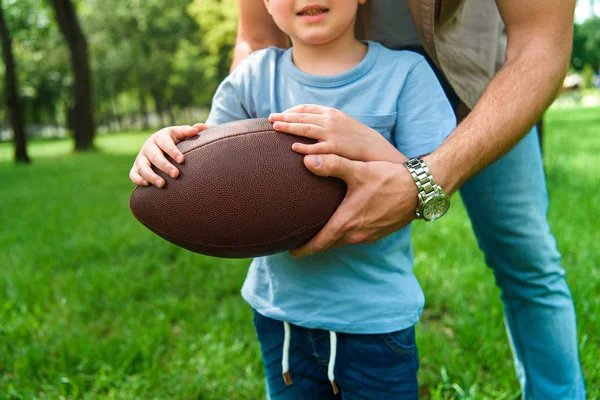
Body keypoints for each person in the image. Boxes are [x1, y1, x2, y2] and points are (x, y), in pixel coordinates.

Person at [130, 1, 586, 399]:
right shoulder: (255, 79)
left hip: (375, 325)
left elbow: (414, 184)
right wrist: (168, 151)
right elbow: (215, 160)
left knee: (526, 258)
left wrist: (368, 145)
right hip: (280, 317)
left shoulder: (405, 78)